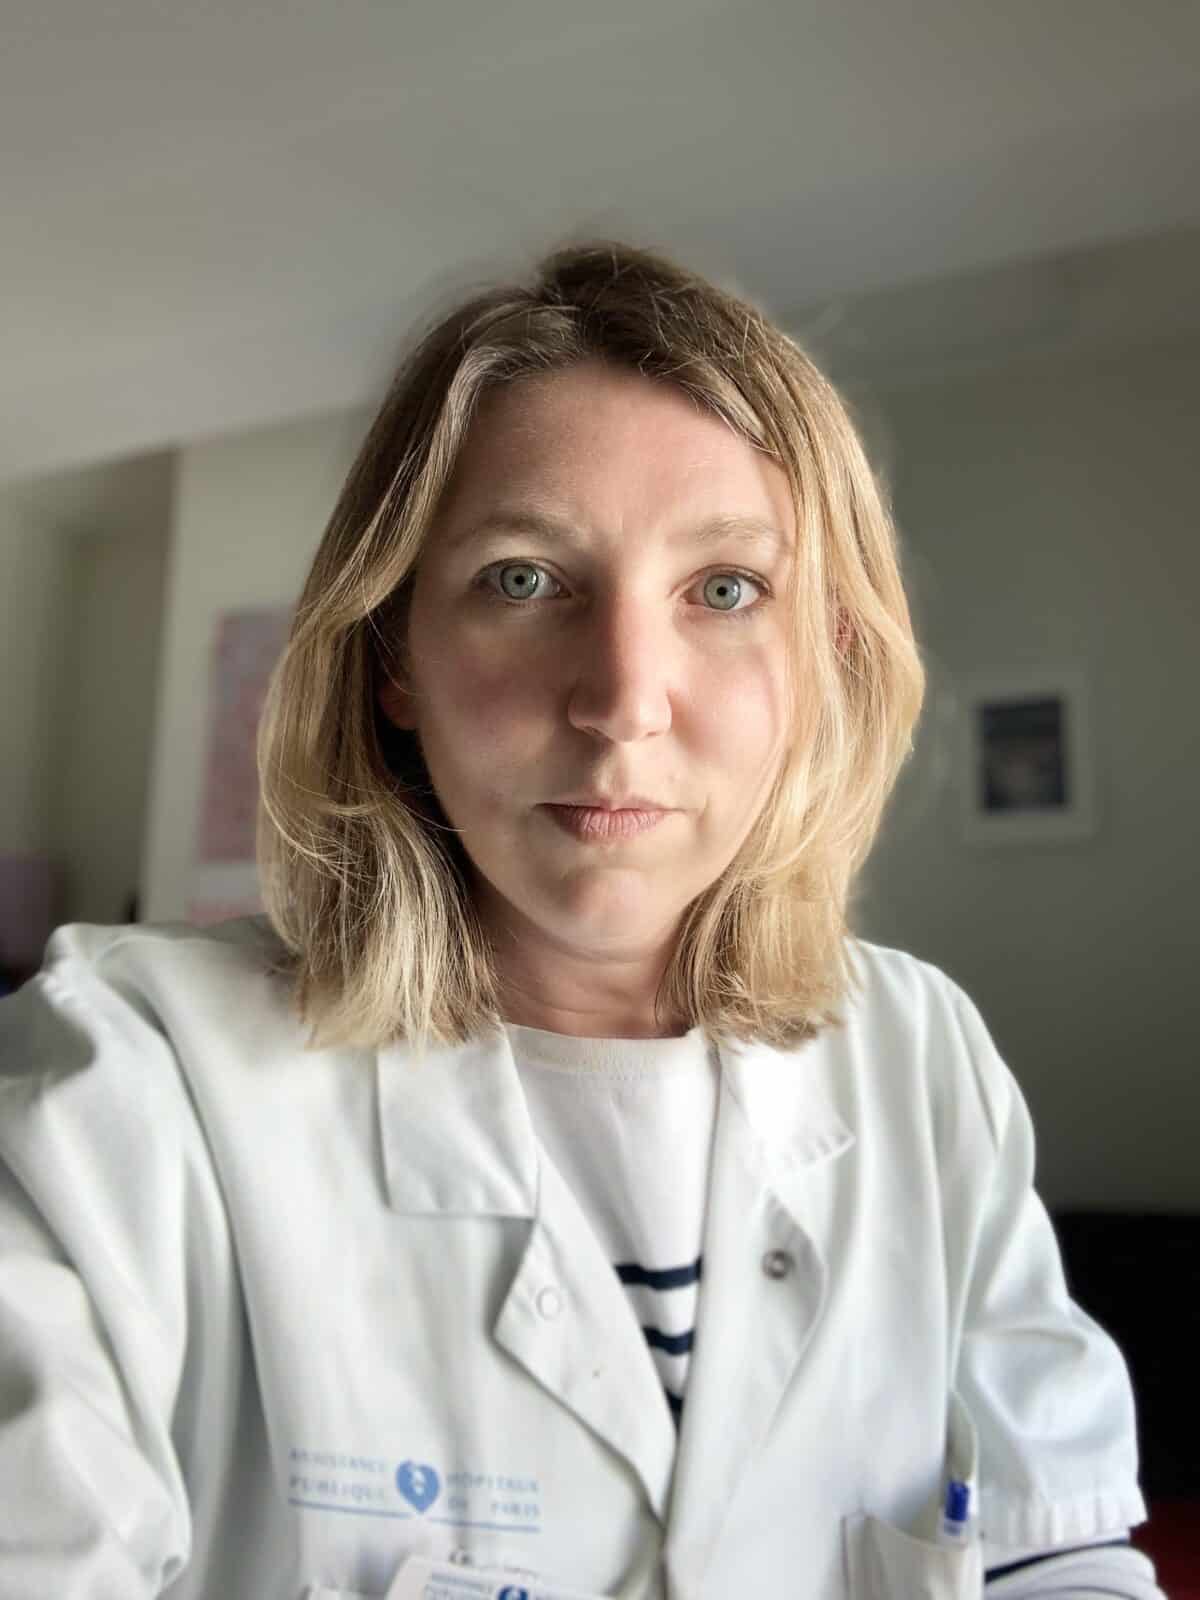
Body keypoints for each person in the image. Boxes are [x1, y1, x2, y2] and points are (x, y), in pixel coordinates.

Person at [0, 242, 1164, 1599]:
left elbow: (1055, 1554)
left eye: (725, 590)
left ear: (822, 661)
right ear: (394, 658)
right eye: (523, 579)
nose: (622, 700)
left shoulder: (922, 1052)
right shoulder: (129, 1079)